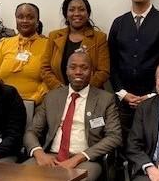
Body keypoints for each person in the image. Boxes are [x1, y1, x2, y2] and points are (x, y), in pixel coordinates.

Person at [24, 52, 122, 181]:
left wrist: (78, 158)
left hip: (85, 160)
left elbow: (114, 136)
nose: (78, 72)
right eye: (73, 67)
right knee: (18, 176)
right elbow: (31, 132)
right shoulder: (52, 97)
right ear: (66, 71)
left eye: (84, 68)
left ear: (92, 72)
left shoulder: (105, 99)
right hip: (49, 156)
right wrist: (39, 153)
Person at [108, 0, 159, 148]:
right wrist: (122, 93)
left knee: (151, 148)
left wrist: (151, 94)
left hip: (156, 100)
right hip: (122, 102)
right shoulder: (119, 23)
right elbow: (112, 63)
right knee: (122, 150)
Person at [40, 0, 110, 90]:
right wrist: (60, 89)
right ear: (66, 14)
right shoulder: (54, 36)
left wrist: (82, 90)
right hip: (59, 93)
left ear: (88, 13)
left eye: (81, 10)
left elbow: (103, 71)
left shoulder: (99, 38)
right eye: (72, 10)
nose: (76, 13)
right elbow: (45, 68)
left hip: (90, 94)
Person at [0, 3, 49, 106]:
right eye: (20, 17)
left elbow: (49, 79)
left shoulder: (48, 45)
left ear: (37, 21)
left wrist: (33, 101)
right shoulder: (4, 43)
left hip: (36, 104)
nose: (24, 21)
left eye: (30, 17)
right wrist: (2, 96)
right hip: (3, 102)